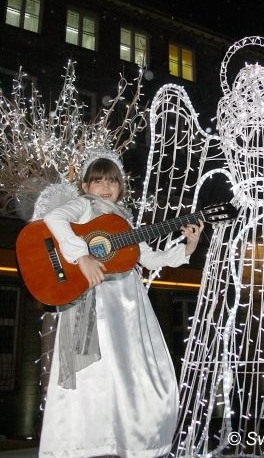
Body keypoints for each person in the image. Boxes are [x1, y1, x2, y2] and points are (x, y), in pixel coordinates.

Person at [38, 149, 203, 458]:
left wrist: (187, 247)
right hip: (96, 302)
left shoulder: (123, 220)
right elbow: (53, 218)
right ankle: (83, 443)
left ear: (121, 186)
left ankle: (129, 437)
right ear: (85, 186)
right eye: (98, 181)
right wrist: (82, 256)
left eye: (112, 181)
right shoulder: (84, 206)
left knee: (133, 373)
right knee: (94, 375)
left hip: (128, 306)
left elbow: (148, 259)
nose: (106, 187)